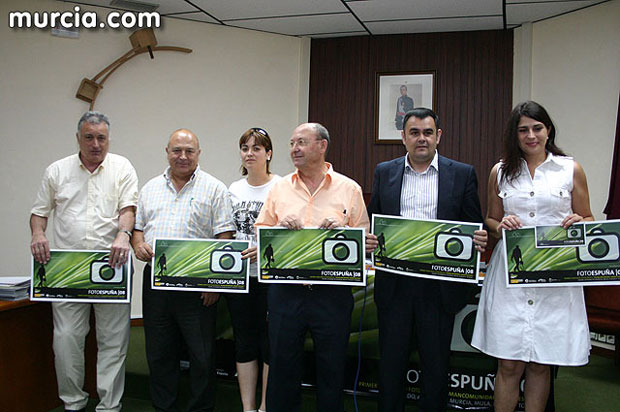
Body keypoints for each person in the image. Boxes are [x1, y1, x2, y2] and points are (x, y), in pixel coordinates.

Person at [472, 101, 593, 411]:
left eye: (536, 128)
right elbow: (491, 219)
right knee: (509, 364)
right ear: (515, 134)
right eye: (523, 129)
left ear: (548, 130)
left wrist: (580, 222)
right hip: (512, 275)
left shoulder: (570, 169)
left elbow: (588, 218)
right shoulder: (500, 172)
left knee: (541, 364)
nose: (530, 136)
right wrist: (502, 224)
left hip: (555, 275)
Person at [367, 107, 487, 412]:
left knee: (436, 368)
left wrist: (479, 238)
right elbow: (374, 221)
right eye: (415, 132)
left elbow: (475, 225)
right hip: (395, 287)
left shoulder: (462, 174)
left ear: (439, 136)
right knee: (391, 366)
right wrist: (369, 239)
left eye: (428, 132)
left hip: (439, 289)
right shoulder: (385, 172)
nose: (422, 139)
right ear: (403, 137)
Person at [255, 122, 375, 412]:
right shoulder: (279, 188)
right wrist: (280, 228)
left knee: (331, 369)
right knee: (283, 368)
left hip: (331, 295)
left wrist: (345, 228)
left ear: (322, 146)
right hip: (286, 293)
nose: (294, 148)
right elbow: (260, 233)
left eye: (302, 142)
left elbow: (365, 241)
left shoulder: (349, 189)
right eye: (292, 143)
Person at [30, 111, 138, 412]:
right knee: (65, 339)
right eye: (89, 137)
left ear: (108, 139)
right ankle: (73, 403)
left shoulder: (122, 167)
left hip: (111, 266)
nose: (95, 144)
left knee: (113, 341)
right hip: (68, 270)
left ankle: (109, 406)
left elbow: (128, 208)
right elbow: (39, 213)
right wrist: (38, 234)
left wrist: (123, 235)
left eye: (101, 138)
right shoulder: (57, 171)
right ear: (78, 138)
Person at [131, 129, 235, 412]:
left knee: (202, 355)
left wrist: (214, 283)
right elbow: (138, 229)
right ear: (167, 151)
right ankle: (164, 407)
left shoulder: (215, 188)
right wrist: (138, 244)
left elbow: (225, 237)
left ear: (199, 154)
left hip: (197, 287)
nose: (183, 156)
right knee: (159, 352)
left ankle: (200, 408)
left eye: (189, 151)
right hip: (156, 282)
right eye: (177, 150)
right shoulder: (150, 188)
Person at [226, 127, 281, 412]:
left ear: (268, 153)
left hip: (271, 279)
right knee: (245, 342)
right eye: (245, 148)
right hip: (241, 280)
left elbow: (288, 233)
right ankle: (248, 407)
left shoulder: (282, 186)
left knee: (270, 344)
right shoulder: (234, 189)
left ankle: (264, 406)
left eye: (256, 148)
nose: (250, 153)